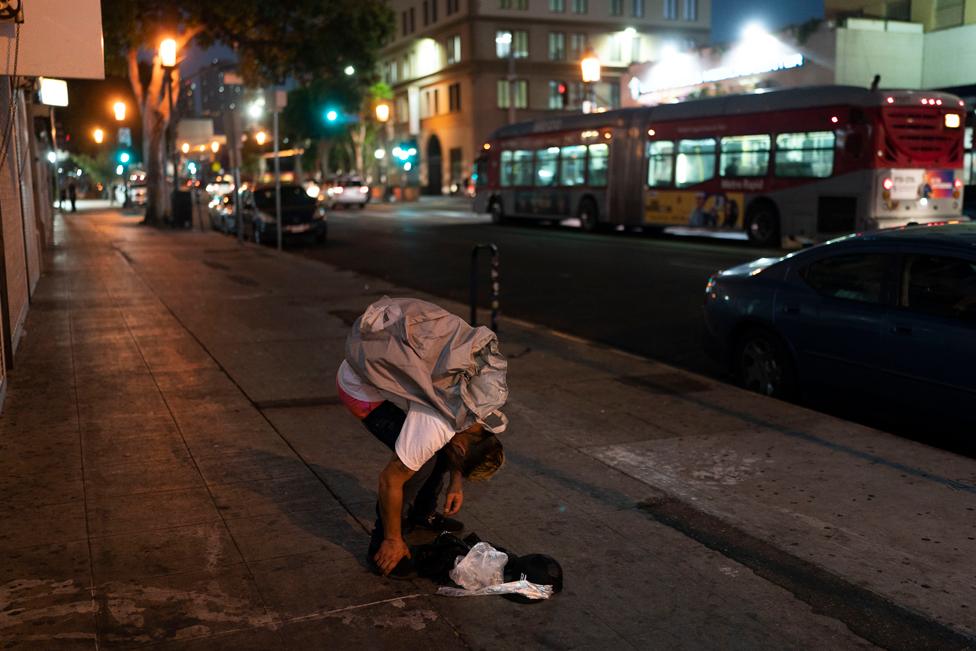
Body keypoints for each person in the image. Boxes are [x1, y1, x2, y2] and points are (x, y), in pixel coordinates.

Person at [336, 358, 505, 577]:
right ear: (462, 451)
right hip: (359, 388)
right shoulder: (434, 428)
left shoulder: (483, 412)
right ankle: (381, 544)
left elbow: (461, 447)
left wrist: (455, 484)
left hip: (377, 368)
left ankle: (421, 513)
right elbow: (389, 480)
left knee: (440, 450)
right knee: (421, 463)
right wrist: (392, 538)